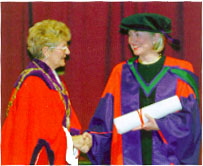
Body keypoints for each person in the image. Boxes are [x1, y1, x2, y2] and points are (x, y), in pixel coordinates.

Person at [74, 13, 201, 165]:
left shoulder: (180, 72)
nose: (132, 40)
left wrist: (161, 125)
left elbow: (190, 122)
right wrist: (91, 140)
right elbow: (105, 121)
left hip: (167, 159)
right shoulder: (120, 72)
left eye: (138, 35)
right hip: (127, 159)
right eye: (130, 35)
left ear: (156, 38)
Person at [1, 19, 81, 165]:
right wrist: (72, 140)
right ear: (46, 51)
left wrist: (79, 139)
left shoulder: (54, 82)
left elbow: (66, 121)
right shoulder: (34, 82)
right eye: (63, 47)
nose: (68, 52)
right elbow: (39, 134)